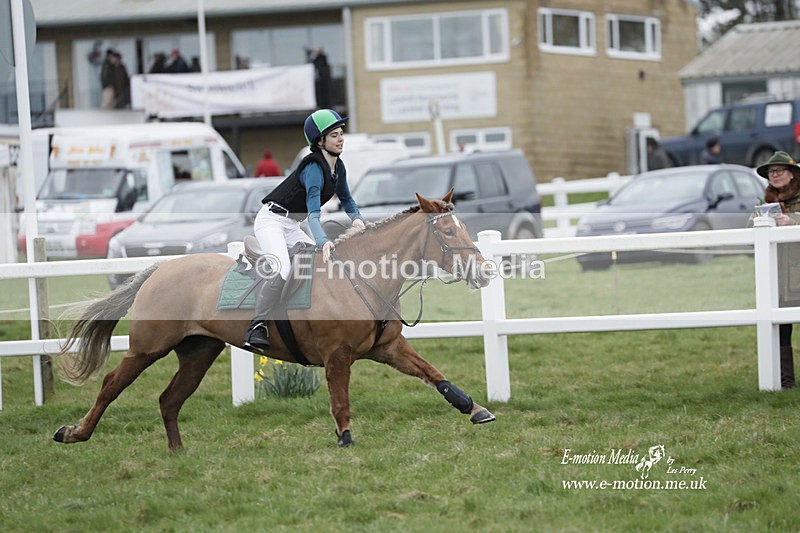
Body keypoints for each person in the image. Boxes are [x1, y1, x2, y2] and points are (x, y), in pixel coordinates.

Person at [243, 109, 365, 353]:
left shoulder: (338, 168)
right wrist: (322, 241)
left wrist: (360, 221)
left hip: (291, 225)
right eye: (334, 135)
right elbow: (313, 213)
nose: (341, 139)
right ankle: (256, 326)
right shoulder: (313, 169)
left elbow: (348, 200)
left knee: (319, 266)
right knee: (283, 270)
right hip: (271, 221)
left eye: (341, 133)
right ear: (320, 141)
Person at [753, 151, 800, 388]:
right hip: (776, 277)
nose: (775, 175)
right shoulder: (764, 203)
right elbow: (749, 228)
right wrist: (761, 221)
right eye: (772, 172)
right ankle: (785, 382)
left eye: (780, 170)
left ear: (792, 174)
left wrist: (790, 221)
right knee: (780, 330)